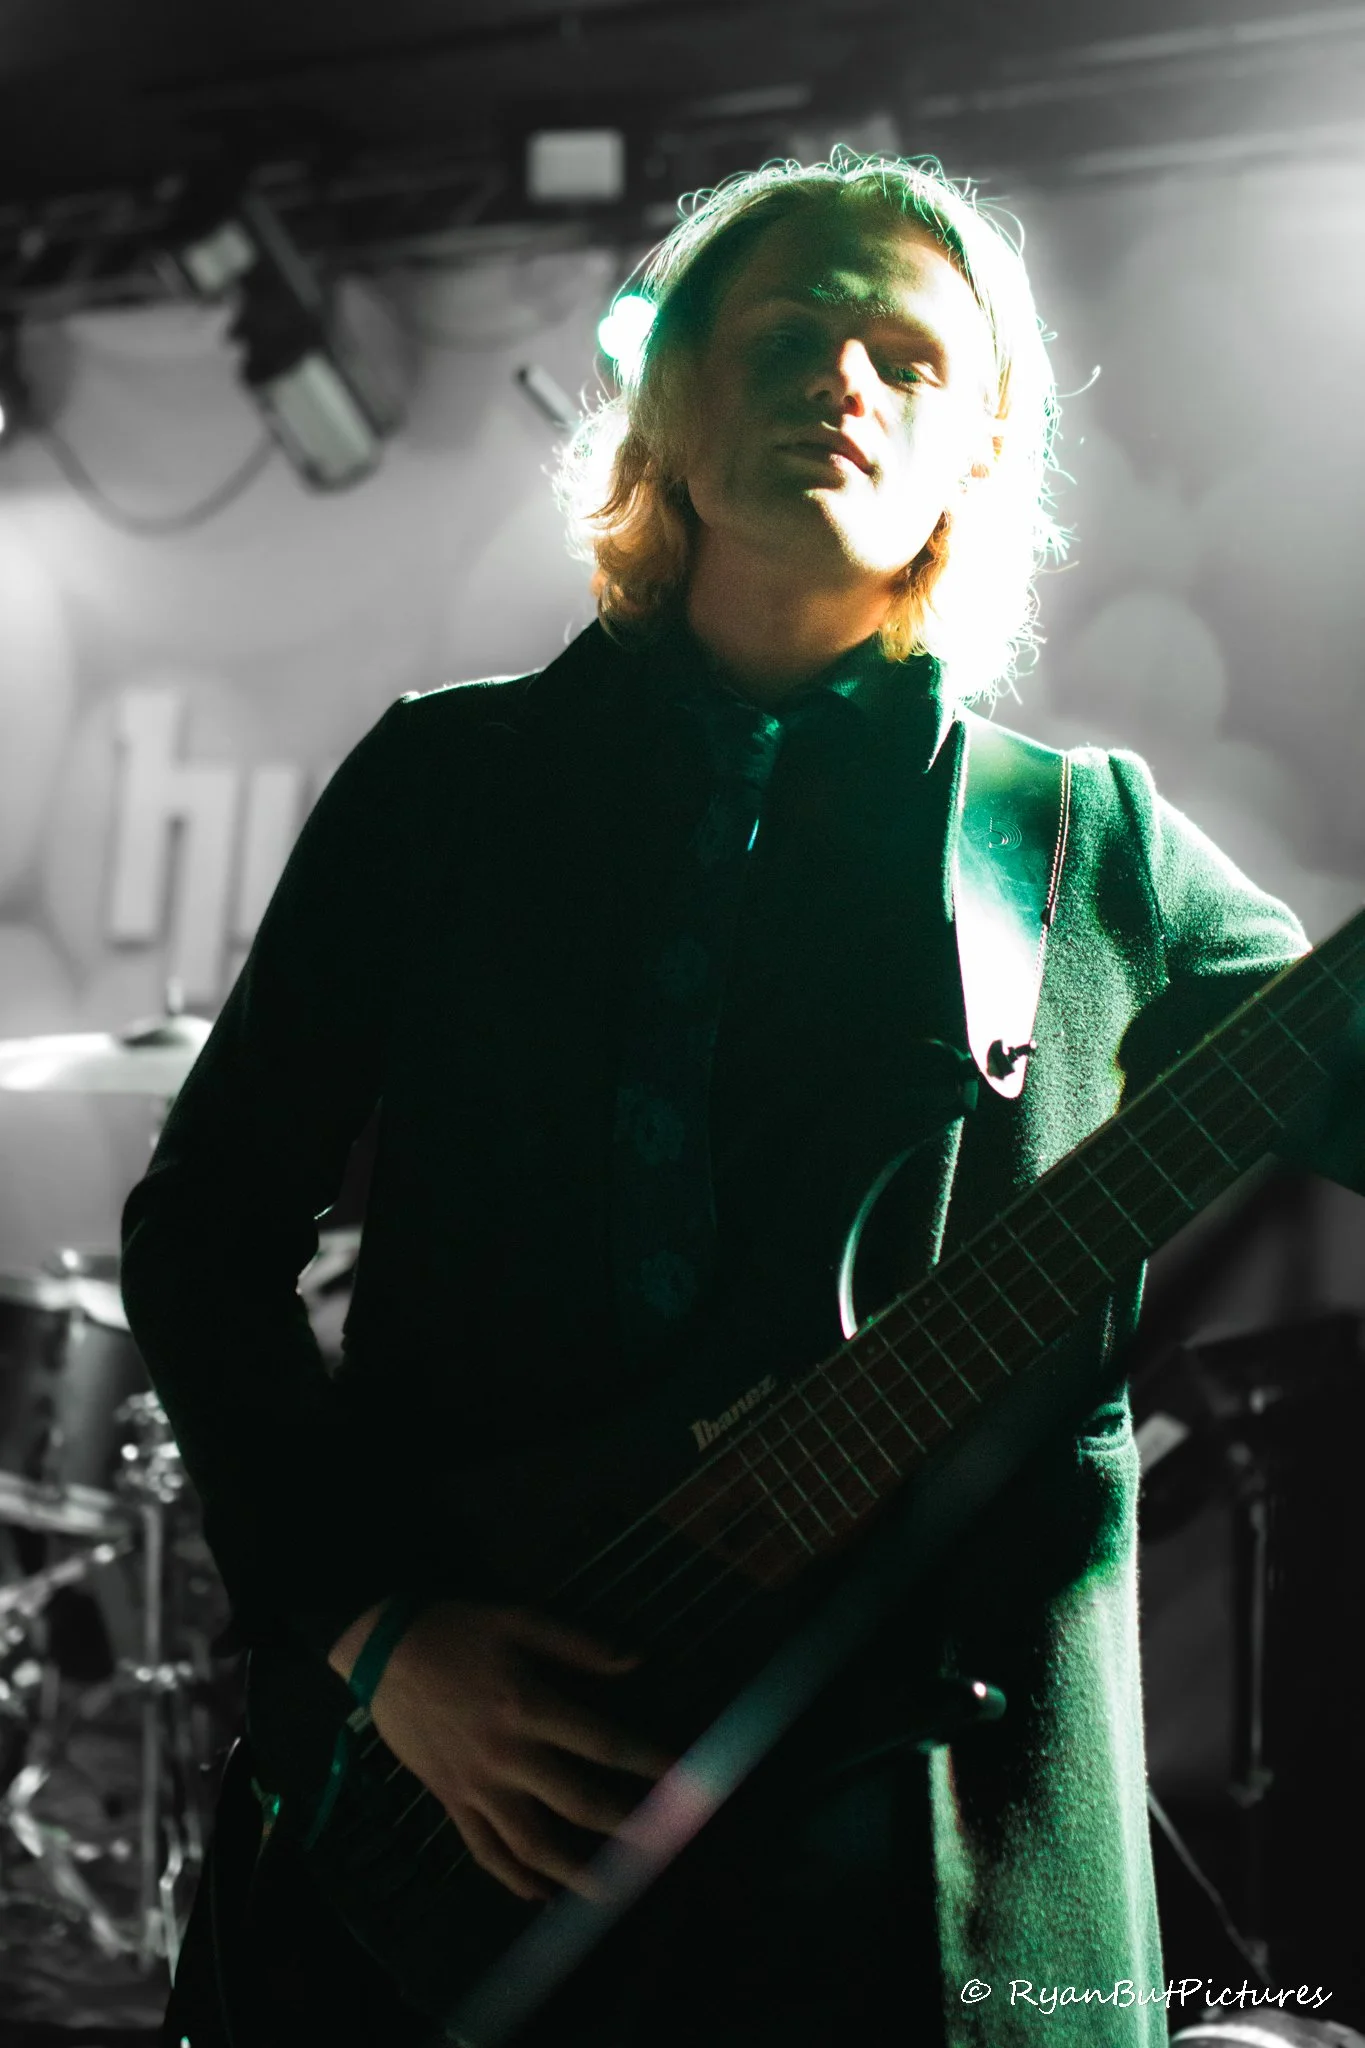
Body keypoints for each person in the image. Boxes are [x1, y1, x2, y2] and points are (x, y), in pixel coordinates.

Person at [119, 152, 1349, 2047]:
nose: (846, 377)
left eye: (908, 359)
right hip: (455, 1855)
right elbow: (201, 1236)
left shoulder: (1093, 849)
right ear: (673, 411)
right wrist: (382, 1635)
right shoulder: (444, 792)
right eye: (789, 335)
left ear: (975, 460)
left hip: (949, 1920)